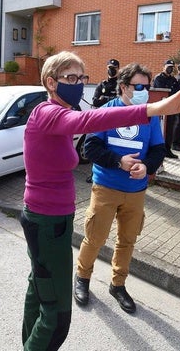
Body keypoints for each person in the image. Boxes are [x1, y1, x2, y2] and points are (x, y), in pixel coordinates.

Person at [19, 50, 180, 350]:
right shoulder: (48, 112)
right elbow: (90, 121)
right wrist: (153, 109)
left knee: (39, 287)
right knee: (56, 317)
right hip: (47, 220)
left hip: (50, 218)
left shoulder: (60, 113)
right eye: (70, 78)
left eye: (82, 78)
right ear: (51, 83)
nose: (78, 84)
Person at [74, 63, 166, 314]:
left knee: (127, 240)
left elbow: (159, 150)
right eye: (139, 86)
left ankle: (118, 284)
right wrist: (119, 162)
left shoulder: (150, 114)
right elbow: (89, 148)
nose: (144, 91)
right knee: (95, 237)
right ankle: (82, 278)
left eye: (147, 87)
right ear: (123, 87)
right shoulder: (105, 112)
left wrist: (146, 166)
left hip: (136, 192)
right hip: (106, 187)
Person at [86, 58, 120, 183]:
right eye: (109, 68)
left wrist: (104, 98)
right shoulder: (102, 84)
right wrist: (110, 99)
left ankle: (112, 174)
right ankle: (94, 173)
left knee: (113, 148)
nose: (111, 70)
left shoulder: (120, 85)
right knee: (98, 147)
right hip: (102, 120)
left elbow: (120, 102)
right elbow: (95, 101)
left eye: (114, 68)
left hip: (116, 121)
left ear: (118, 69)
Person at [152, 59, 179, 158]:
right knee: (159, 129)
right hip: (161, 108)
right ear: (163, 67)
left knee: (169, 129)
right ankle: (158, 149)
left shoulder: (173, 80)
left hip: (171, 108)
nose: (170, 69)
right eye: (168, 67)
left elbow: (176, 93)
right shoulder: (158, 78)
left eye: (172, 68)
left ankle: (167, 149)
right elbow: (160, 92)